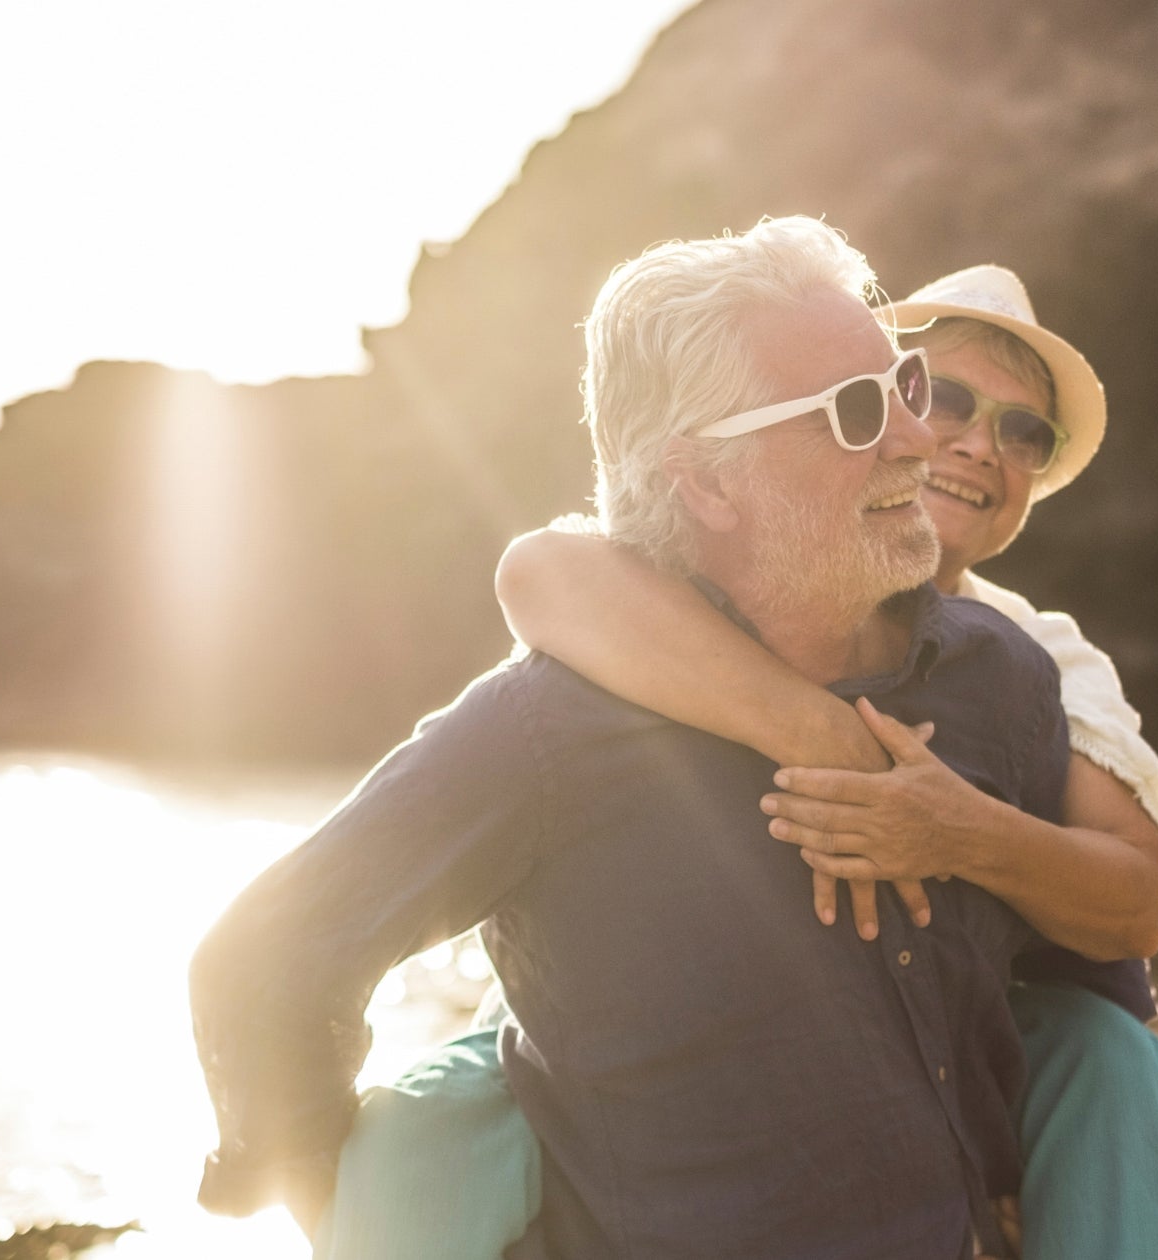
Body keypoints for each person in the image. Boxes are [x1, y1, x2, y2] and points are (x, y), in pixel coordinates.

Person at [192, 217, 1095, 1260]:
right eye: (854, 411)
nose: (912, 438)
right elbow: (261, 968)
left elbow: (1066, 995)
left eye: (897, 384)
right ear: (703, 482)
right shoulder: (552, 733)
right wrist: (330, 1202)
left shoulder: (1001, 678)